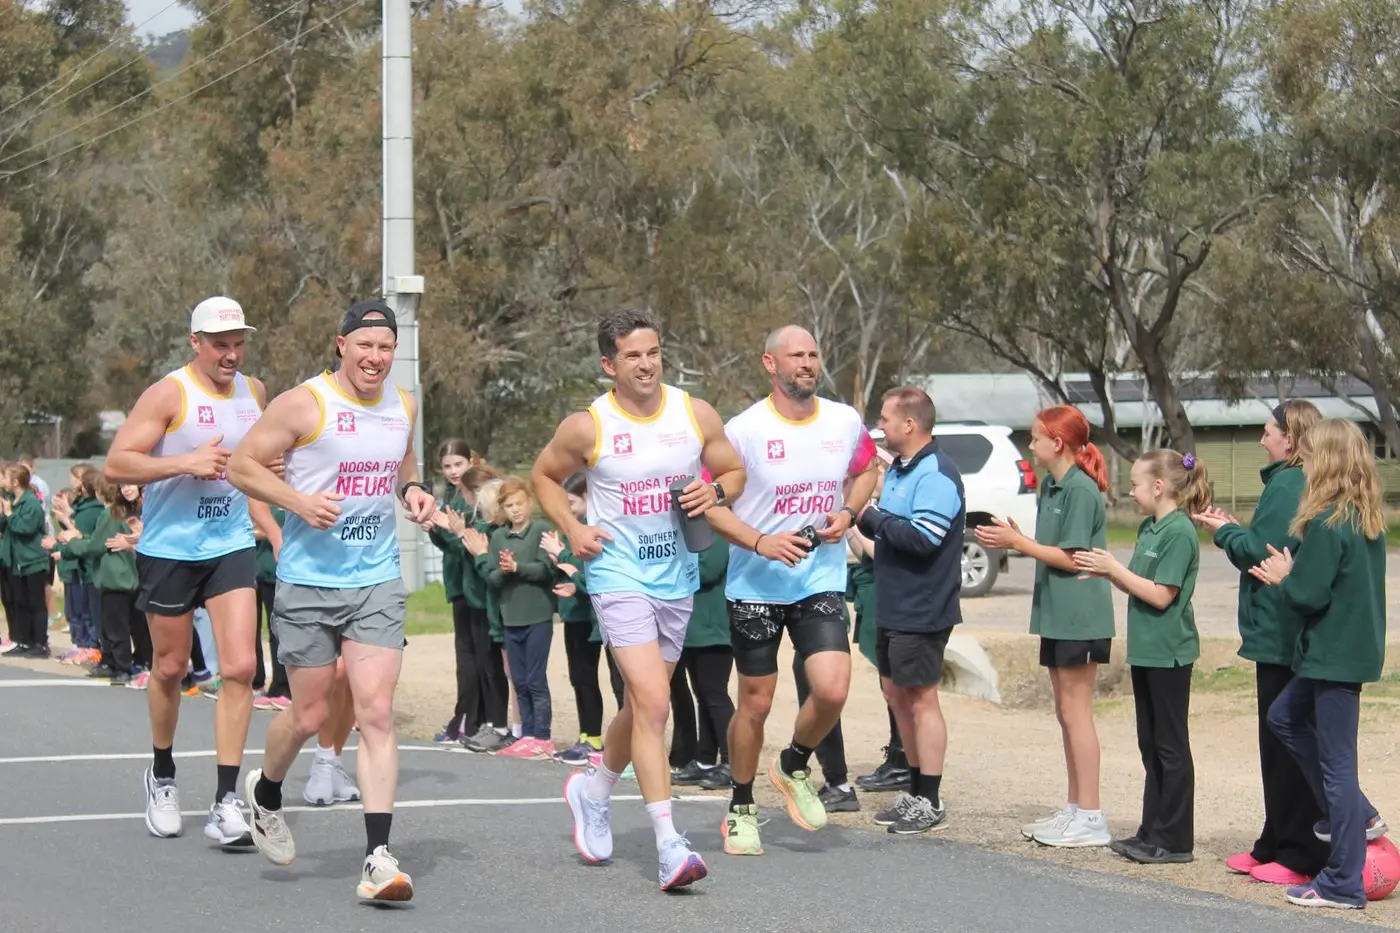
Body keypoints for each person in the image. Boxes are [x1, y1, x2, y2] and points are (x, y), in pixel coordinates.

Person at [532, 308, 745, 891]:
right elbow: (544, 477)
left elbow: (732, 469)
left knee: (641, 709)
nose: (646, 363)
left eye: (652, 352)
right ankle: (669, 845)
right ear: (609, 364)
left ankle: (593, 789)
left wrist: (716, 488)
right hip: (617, 574)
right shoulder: (589, 425)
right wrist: (574, 532)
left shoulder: (692, 412)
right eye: (632, 355)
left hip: (676, 575)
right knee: (654, 702)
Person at [228, 299, 434, 902]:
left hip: (375, 581)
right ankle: (266, 790)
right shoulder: (303, 404)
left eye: (386, 347)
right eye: (364, 346)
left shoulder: (403, 405)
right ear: (340, 344)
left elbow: (402, 461)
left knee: (374, 711)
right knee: (311, 715)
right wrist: (296, 503)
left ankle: (378, 858)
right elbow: (242, 466)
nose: (375, 357)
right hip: (308, 584)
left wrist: (415, 490)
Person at [102, 295, 275, 847]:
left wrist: (273, 519)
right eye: (220, 344)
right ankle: (163, 773)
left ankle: (226, 801)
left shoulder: (256, 393)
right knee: (172, 668)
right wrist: (185, 461)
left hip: (229, 544)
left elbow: (256, 469)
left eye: (238, 343)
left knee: (242, 666)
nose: (231, 354)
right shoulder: (169, 392)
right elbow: (117, 462)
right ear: (195, 343)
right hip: (171, 548)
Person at [702, 325, 878, 856]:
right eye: (795, 355)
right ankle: (740, 807)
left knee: (831, 688)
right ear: (769, 364)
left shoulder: (844, 421)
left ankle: (794, 763)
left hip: (818, 578)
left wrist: (848, 513)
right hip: (755, 585)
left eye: (813, 354)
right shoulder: (743, 430)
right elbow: (707, 503)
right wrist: (760, 542)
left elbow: (867, 470)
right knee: (754, 703)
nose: (807, 363)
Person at [1193, 401, 1339, 885]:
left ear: (1291, 438)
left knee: (1286, 747)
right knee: (1274, 744)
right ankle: (1274, 840)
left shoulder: (1290, 482)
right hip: (1277, 633)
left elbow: (1263, 553)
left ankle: (1299, 853)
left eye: (1268, 432)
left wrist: (1228, 533)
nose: (1262, 439)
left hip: (1281, 634)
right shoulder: (1287, 481)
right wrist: (1238, 529)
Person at [1250, 418, 1389, 910]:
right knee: (1283, 716)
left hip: (1333, 657)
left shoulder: (1329, 522)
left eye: (1308, 456)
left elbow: (1307, 595)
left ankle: (1344, 882)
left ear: (1325, 461)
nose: (1302, 463)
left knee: (1337, 768)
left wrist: (1284, 576)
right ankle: (1354, 812)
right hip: (1343, 654)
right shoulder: (1363, 516)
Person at [975, 405, 1115, 848]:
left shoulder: (1080, 489)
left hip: (1081, 616)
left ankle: (1091, 815)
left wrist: (1019, 543)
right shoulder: (1054, 487)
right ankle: (1075, 809)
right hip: (1057, 614)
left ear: (1057, 442)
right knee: (1064, 714)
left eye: (1035, 438)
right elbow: (1052, 548)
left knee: (1077, 714)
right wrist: (1023, 539)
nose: (1030, 445)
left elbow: (1074, 557)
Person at [1075, 450, 1211, 864]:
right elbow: (1138, 583)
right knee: (1150, 743)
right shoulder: (1150, 528)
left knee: (1170, 746)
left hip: (1170, 652)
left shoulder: (1179, 532)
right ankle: (1151, 830)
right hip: (1147, 651)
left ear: (1158, 487)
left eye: (1134, 484)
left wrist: (1115, 569)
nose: (1129, 492)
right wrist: (1108, 572)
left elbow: (1160, 594)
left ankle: (1174, 840)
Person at [852, 388, 964, 836]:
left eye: (886, 419)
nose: (881, 427)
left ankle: (930, 799)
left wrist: (872, 517)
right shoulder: (899, 469)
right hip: (893, 603)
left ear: (910, 425)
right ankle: (915, 790)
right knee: (895, 694)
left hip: (924, 607)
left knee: (921, 699)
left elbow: (923, 538)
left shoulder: (937, 472)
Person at [487, 477, 558, 760]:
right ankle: (527, 735)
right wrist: (504, 571)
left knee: (536, 678)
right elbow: (491, 577)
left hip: (538, 615)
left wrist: (518, 568)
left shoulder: (540, 530)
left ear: (529, 502)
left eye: (519, 503)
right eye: (509, 505)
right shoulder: (499, 537)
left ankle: (543, 737)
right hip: (510, 618)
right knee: (519, 679)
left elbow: (545, 571)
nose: (515, 510)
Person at [427, 438, 485, 744]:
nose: (452, 471)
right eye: (447, 466)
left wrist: (444, 529)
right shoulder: (450, 495)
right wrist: (435, 529)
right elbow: (451, 547)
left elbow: (467, 542)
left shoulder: (474, 497)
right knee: (465, 656)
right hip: (458, 586)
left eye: (458, 464)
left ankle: (473, 719)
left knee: (476, 658)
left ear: (471, 462)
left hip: (476, 585)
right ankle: (464, 717)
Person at [0, 464, 54, 657]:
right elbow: (6, 527)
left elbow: (24, 528)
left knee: (36, 603)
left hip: (33, 561)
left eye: (6, 477)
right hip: (18, 562)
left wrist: (8, 514)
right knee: (21, 602)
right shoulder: (15, 501)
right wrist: (3, 514)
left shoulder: (30, 503)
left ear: (15, 482)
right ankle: (24, 641)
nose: (4, 480)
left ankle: (40, 643)